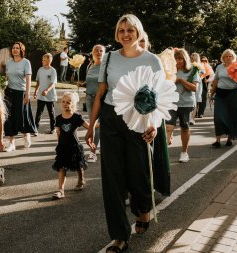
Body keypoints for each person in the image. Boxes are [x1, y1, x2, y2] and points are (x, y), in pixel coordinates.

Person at [85, 14, 160, 252]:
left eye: (130, 30)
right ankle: (119, 235)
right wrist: (91, 125)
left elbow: (159, 96)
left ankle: (143, 209)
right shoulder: (108, 58)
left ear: (138, 32)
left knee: (138, 172)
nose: (125, 34)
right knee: (112, 178)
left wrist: (154, 124)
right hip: (110, 118)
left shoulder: (151, 60)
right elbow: (100, 93)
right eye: (121, 30)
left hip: (138, 119)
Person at [52, 92, 89, 199]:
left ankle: (81, 180)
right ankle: (60, 190)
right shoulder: (58, 118)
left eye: (68, 102)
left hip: (74, 147)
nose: (65, 104)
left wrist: (100, 124)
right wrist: (59, 146)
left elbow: (89, 127)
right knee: (61, 168)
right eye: (63, 102)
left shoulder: (77, 117)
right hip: (63, 148)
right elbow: (58, 133)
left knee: (78, 165)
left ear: (73, 104)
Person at [166, 49, 200, 163]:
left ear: (185, 59)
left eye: (180, 58)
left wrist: (180, 80)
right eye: (175, 59)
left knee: (184, 127)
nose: (177, 61)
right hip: (171, 103)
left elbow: (195, 88)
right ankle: (164, 155)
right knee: (168, 127)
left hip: (186, 103)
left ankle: (184, 152)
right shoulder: (169, 71)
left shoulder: (192, 71)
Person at [3, 42, 37, 151]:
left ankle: (26, 134)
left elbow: (28, 79)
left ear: (21, 50)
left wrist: (27, 94)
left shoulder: (26, 62)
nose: (15, 50)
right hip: (9, 93)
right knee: (8, 117)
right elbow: (6, 78)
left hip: (21, 92)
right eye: (13, 48)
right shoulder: (9, 63)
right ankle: (11, 143)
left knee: (22, 116)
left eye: (17, 48)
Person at [210, 49, 237, 148]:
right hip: (220, 94)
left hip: (233, 94)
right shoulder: (219, 67)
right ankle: (218, 140)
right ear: (223, 57)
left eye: (230, 56)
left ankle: (229, 139)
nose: (228, 58)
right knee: (218, 117)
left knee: (232, 117)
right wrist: (211, 94)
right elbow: (215, 81)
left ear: (233, 57)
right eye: (226, 56)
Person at [79, 44, 105, 162]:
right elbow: (89, 80)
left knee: (97, 125)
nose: (98, 52)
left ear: (104, 53)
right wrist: (82, 84)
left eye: (101, 51)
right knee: (93, 124)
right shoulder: (90, 65)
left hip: (102, 99)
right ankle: (96, 149)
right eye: (96, 50)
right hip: (89, 98)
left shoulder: (106, 67)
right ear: (92, 53)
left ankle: (93, 152)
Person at [33, 53, 57, 135]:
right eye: (42, 60)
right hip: (41, 96)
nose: (42, 61)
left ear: (49, 60)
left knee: (51, 113)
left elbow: (53, 83)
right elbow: (38, 82)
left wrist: (47, 90)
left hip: (50, 96)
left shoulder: (53, 71)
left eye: (44, 60)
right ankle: (35, 129)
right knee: (38, 113)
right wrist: (36, 92)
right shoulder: (40, 70)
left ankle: (53, 128)